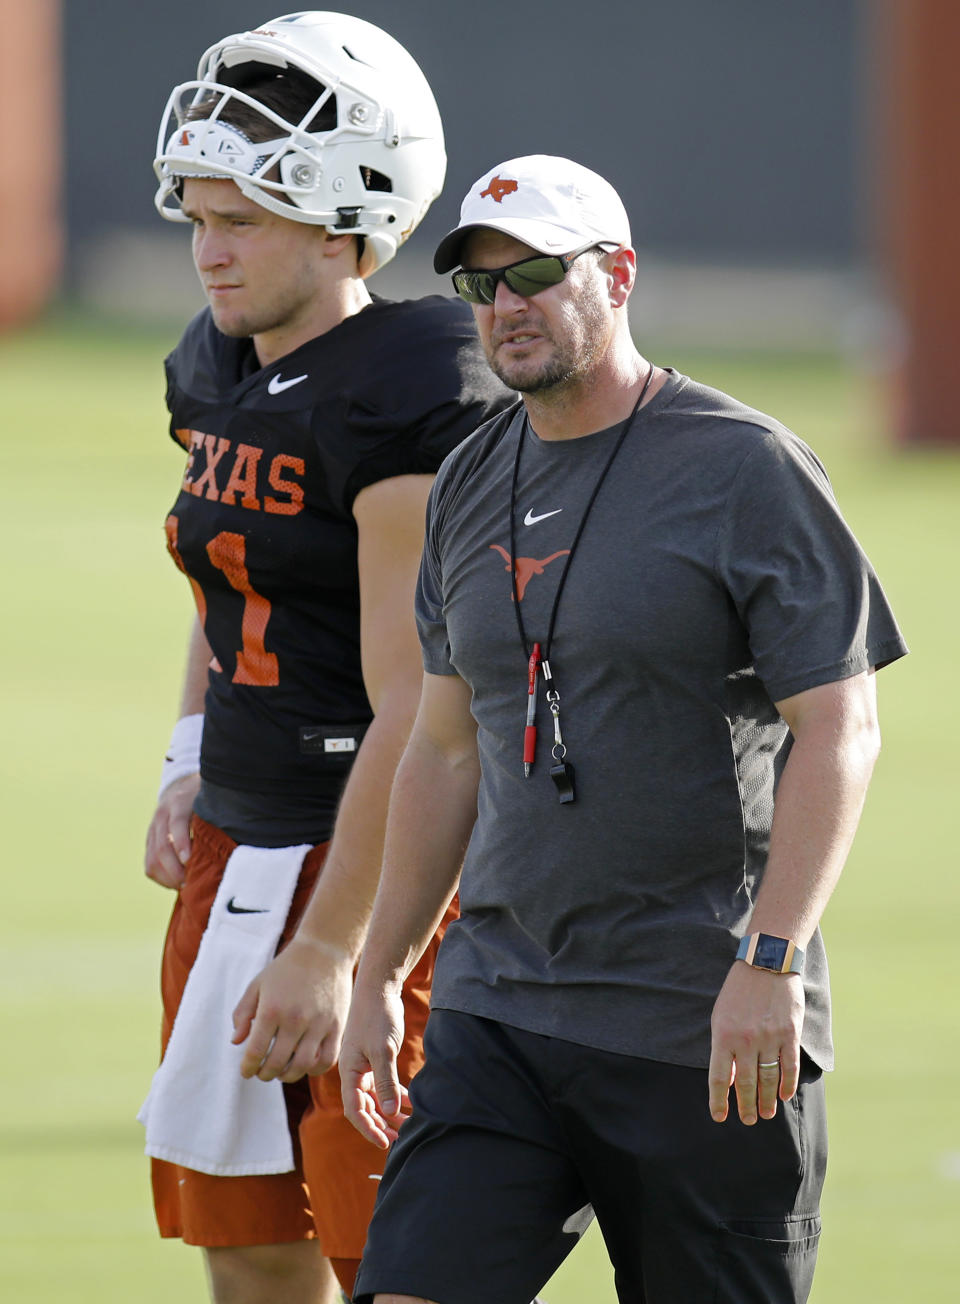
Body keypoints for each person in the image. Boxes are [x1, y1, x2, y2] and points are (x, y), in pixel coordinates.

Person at [339, 154, 909, 1304]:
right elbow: (446, 747)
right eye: (483, 285)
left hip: (701, 1026)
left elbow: (840, 728)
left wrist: (769, 959)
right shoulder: (464, 479)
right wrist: (378, 968)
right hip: (499, 1009)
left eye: (538, 273)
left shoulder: (745, 466)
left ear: (620, 274)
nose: (508, 307)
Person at [138, 15, 512, 1304]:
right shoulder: (219, 366)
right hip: (233, 850)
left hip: (367, 865)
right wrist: (190, 759)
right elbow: (223, 573)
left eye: (245, 214)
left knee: (393, 1259)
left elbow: (415, 701)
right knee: (244, 1244)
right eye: (198, 212)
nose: (209, 246)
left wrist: (342, 946)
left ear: (348, 219)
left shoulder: (408, 387)